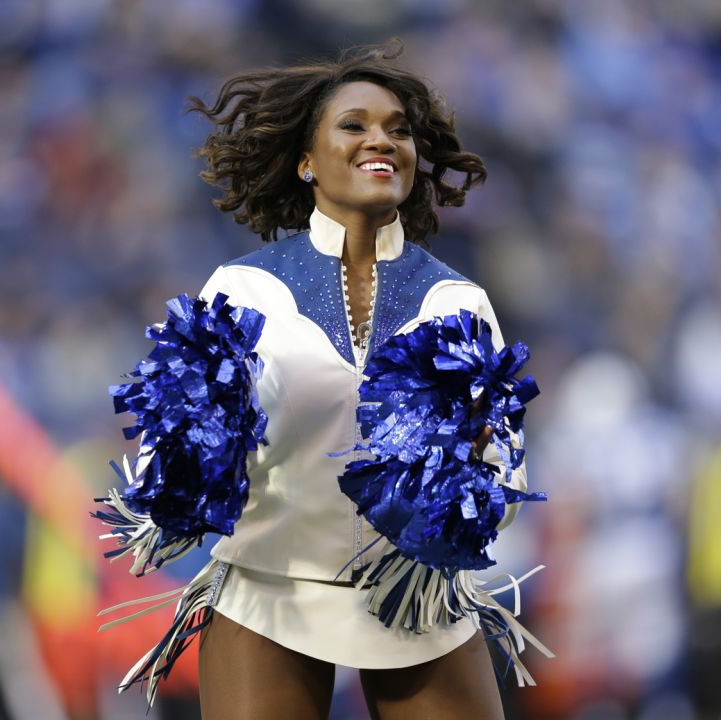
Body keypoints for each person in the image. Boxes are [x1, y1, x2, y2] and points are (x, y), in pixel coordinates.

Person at [140, 42, 536, 719]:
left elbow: (505, 471)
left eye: (399, 129)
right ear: (306, 160)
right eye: (353, 125)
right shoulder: (244, 290)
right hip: (272, 592)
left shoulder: (457, 301)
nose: (381, 140)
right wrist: (188, 462)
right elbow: (166, 464)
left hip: (418, 594)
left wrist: (463, 493)